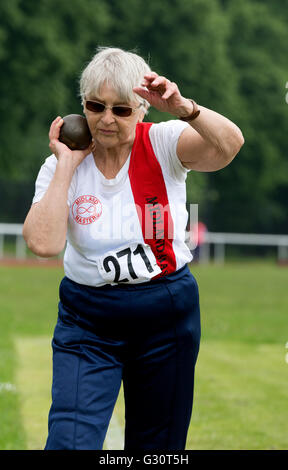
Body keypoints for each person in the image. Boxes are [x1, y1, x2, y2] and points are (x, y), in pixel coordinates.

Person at [23, 46, 244, 450]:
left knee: (157, 447)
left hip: (164, 312)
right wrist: (68, 166)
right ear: (83, 108)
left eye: (121, 109)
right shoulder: (61, 165)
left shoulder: (163, 142)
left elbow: (229, 146)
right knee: (70, 441)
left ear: (142, 108)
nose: (106, 119)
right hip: (87, 318)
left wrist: (185, 108)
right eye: (95, 106)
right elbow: (43, 243)